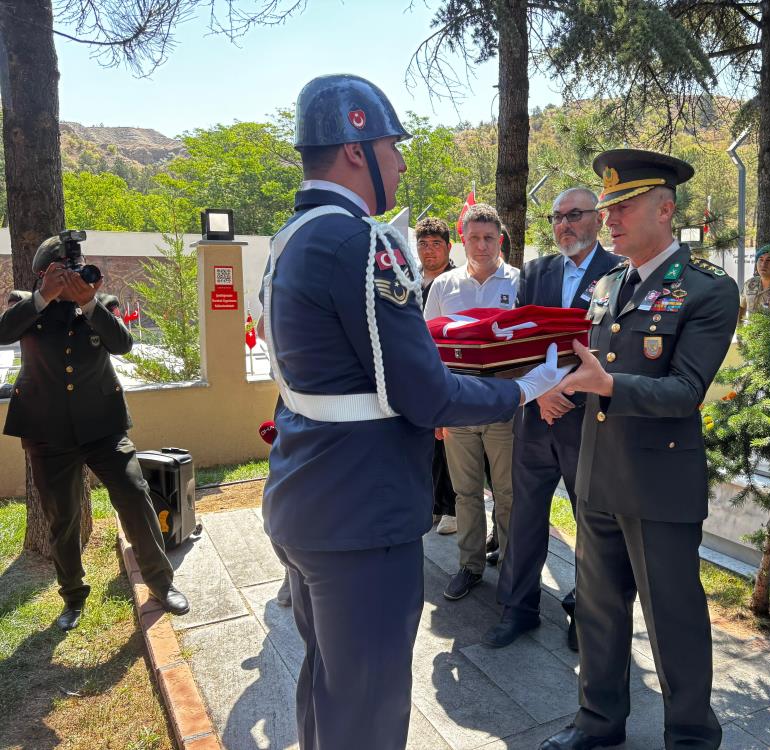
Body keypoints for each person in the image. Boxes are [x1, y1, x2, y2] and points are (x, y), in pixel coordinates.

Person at [261, 74, 569, 750]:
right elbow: (427, 395)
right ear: (355, 148)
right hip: (361, 516)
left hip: (309, 499)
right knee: (367, 713)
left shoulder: (291, 238)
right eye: (391, 146)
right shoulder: (361, 244)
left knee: (329, 688)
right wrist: (525, 386)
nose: (400, 161)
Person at [539, 150, 739, 750]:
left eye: (623, 207)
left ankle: (691, 735)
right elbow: (585, 363)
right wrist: (553, 386)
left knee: (672, 618)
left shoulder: (706, 289)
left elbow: (685, 390)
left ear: (665, 210)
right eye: (608, 208)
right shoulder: (606, 285)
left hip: (658, 485)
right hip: (598, 472)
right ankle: (597, 722)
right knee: (598, 611)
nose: (610, 218)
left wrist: (606, 385)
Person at [0, 234, 189, 632]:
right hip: (47, 431)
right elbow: (3, 333)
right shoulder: (26, 303)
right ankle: (73, 596)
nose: (73, 276)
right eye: (63, 270)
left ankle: (160, 583)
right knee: (63, 518)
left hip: (103, 427)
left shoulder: (102, 304)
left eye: (77, 267)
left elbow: (123, 345)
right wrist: (44, 295)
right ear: (43, 273)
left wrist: (88, 303)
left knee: (135, 495)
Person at [482, 187, 618, 651]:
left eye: (574, 215)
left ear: (598, 220)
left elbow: (614, 351)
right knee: (524, 517)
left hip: (589, 421)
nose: (564, 225)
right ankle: (518, 609)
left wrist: (564, 389)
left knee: (590, 523)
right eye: (557, 217)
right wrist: (542, 393)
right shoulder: (537, 272)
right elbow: (519, 343)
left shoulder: (619, 273)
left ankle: (587, 613)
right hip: (537, 417)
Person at [423, 203, 520, 601]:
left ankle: (513, 568)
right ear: (462, 241)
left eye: (489, 238)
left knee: (508, 492)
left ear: (500, 240)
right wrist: (436, 409)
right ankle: (470, 565)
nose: (482, 246)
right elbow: (428, 348)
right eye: (474, 238)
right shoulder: (444, 286)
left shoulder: (519, 282)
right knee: (465, 493)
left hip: (504, 406)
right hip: (458, 406)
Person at [416, 217, 459, 536]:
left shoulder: (456, 281)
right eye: (423, 244)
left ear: (448, 246)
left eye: (436, 244)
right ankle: (432, 503)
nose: (429, 250)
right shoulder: (409, 282)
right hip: (417, 371)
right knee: (425, 442)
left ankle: (452, 508)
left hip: (448, 371)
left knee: (449, 443)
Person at [739, 244, 770, 321]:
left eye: (769, 260)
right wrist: (740, 327)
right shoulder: (750, 284)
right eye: (761, 260)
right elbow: (742, 307)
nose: (763, 264)